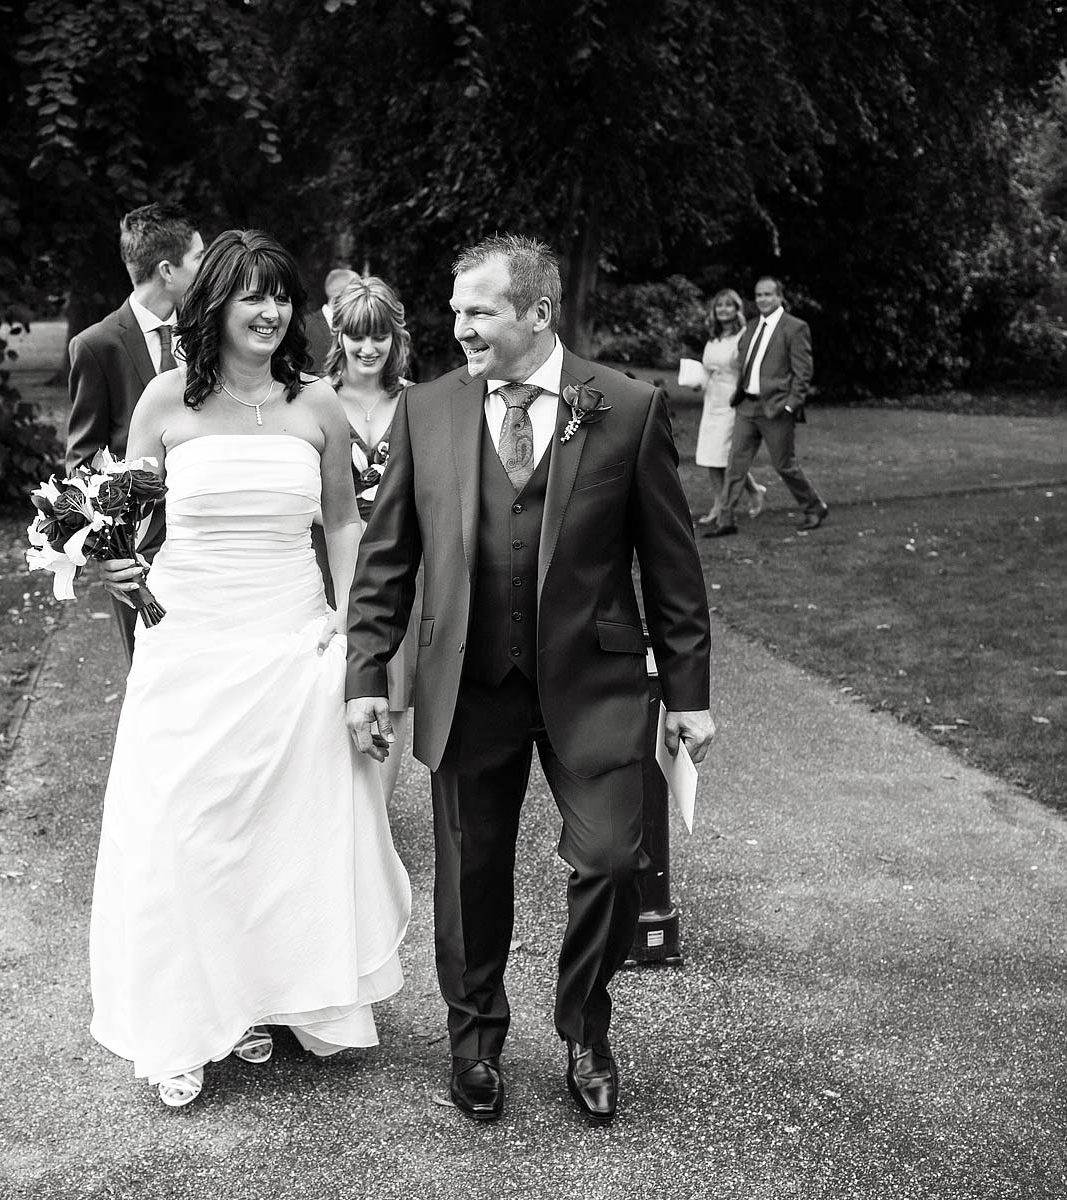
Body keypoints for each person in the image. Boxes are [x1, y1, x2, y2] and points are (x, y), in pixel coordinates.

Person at [344, 234, 714, 1125]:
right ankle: (475, 1044)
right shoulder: (427, 409)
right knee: (470, 875)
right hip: (469, 682)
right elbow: (387, 559)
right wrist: (365, 675)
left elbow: (672, 565)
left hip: (595, 682)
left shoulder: (626, 406)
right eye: (455, 311)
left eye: (478, 310)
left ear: (537, 312)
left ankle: (586, 1029)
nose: (459, 327)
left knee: (613, 861)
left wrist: (690, 695)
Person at [89, 230, 410, 1109]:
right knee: (184, 826)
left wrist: (350, 626)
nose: (270, 311)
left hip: (291, 637)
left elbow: (342, 524)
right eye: (251, 295)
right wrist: (110, 560)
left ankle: (272, 997)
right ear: (215, 305)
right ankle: (185, 1021)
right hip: (189, 642)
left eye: (281, 296)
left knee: (282, 830)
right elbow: (124, 521)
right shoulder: (165, 401)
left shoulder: (317, 404)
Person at [65, 203, 207, 659]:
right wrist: (109, 552)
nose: (207, 267)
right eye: (199, 257)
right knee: (152, 671)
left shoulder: (207, 336)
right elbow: (83, 460)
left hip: (207, 533)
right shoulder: (96, 346)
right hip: (138, 553)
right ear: (167, 270)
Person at [326, 274, 418, 805]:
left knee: (393, 694)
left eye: (379, 335)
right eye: (357, 335)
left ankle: (376, 822)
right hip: (330, 564)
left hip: (398, 567)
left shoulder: (416, 402)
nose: (368, 348)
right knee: (328, 689)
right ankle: (332, 815)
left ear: (395, 337)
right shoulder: (315, 399)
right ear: (338, 335)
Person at [707, 275, 828, 535]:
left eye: (768, 294)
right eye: (759, 295)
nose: (762, 299)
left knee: (785, 464)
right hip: (746, 407)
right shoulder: (751, 327)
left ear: (779, 296)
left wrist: (791, 405)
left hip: (777, 408)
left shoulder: (795, 327)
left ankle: (814, 506)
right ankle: (726, 520)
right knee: (735, 465)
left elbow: (803, 372)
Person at [692, 288, 766, 529]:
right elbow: (709, 368)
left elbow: (749, 368)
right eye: (719, 305)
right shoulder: (714, 337)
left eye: (728, 305)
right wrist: (698, 381)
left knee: (725, 456)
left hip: (733, 399)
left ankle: (731, 501)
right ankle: (725, 500)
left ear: (736, 309)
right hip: (712, 399)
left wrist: (742, 391)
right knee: (711, 454)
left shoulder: (743, 336)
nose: (723, 309)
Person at [304, 265, 359, 372]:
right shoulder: (302, 328)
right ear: (337, 300)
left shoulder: (360, 329)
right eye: (356, 297)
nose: (362, 303)